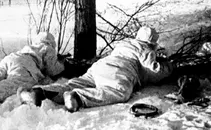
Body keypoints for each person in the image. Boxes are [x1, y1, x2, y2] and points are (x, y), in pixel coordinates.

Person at [18, 26, 174, 112]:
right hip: (119, 71)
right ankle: (77, 98)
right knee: (120, 91)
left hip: (100, 66)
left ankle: (40, 92)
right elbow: (155, 71)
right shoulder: (146, 49)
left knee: (75, 82)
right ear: (152, 43)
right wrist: (169, 65)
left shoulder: (125, 43)